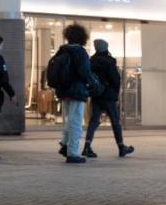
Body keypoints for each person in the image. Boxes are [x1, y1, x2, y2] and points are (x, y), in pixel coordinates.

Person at [50, 24, 97, 164]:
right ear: (82, 38)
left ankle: (65, 144)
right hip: (77, 91)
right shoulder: (80, 52)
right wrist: (92, 83)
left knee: (69, 120)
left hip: (63, 91)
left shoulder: (62, 51)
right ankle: (72, 153)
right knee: (76, 122)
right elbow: (84, 73)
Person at [83, 38, 134, 159]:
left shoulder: (91, 61)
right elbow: (115, 80)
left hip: (96, 95)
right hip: (109, 96)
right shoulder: (109, 61)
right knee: (115, 122)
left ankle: (87, 146)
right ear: (105, 48)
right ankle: (121, 147)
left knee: (94, 121)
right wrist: (115, 93)